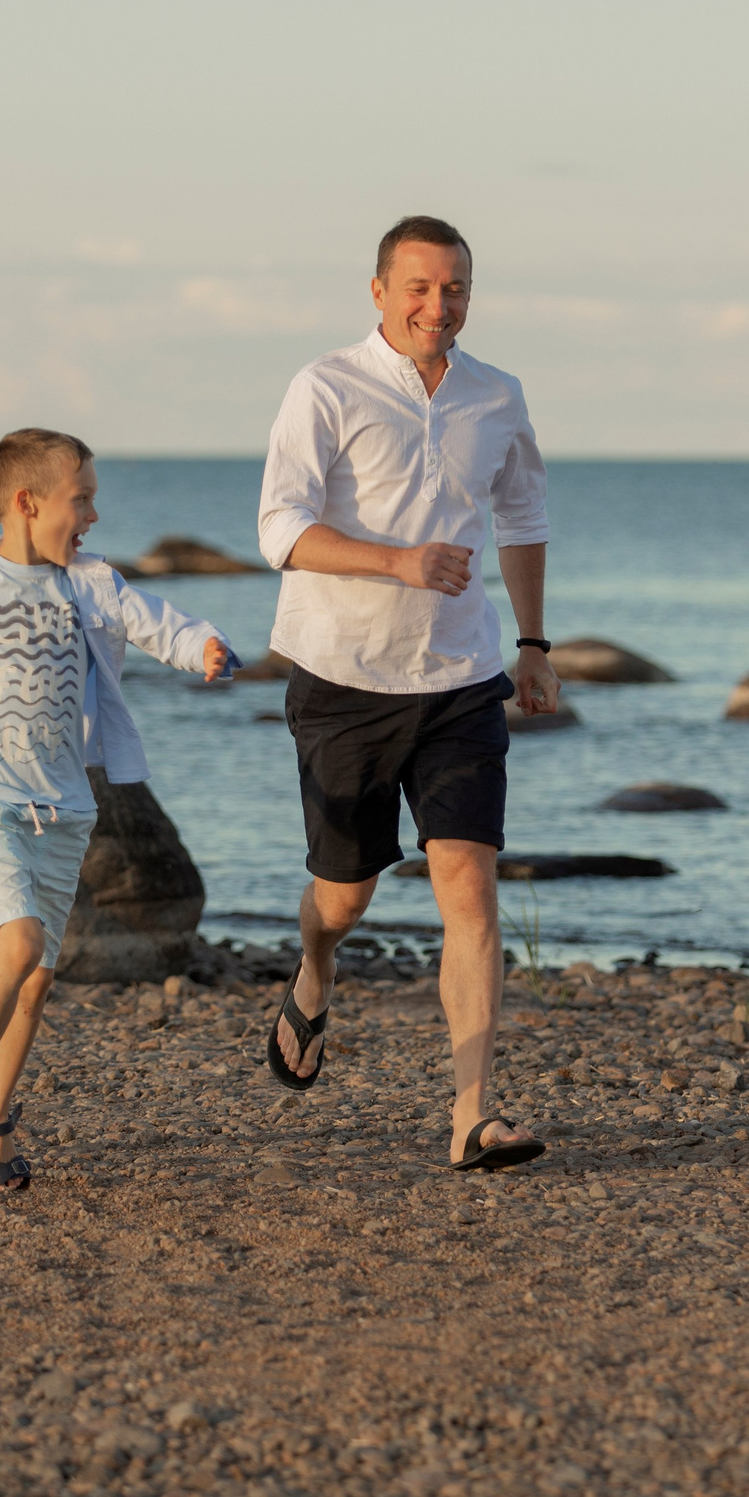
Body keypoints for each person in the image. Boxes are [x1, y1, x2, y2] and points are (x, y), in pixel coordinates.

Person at [0, 429, 235, 1191]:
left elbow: (156, 619)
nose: (92, 513)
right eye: (81, 497)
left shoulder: (89, 584)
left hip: (65, 808)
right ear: (27, 503)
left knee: (37, 980)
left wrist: (202, 647)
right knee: (19, 942)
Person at [254, 214, 557, 1172]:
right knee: (344, 898)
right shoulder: (325, 386)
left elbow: (524, 514)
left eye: (457, 286)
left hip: (461, 678)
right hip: (342, 675)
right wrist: (397, 561)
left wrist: (535, 641)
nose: (440, 304)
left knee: (468, 881)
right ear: (380, 291)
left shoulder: (496, 395)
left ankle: (470, 1115)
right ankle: (313, 970)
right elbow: (280, 529)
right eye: (421, 286)